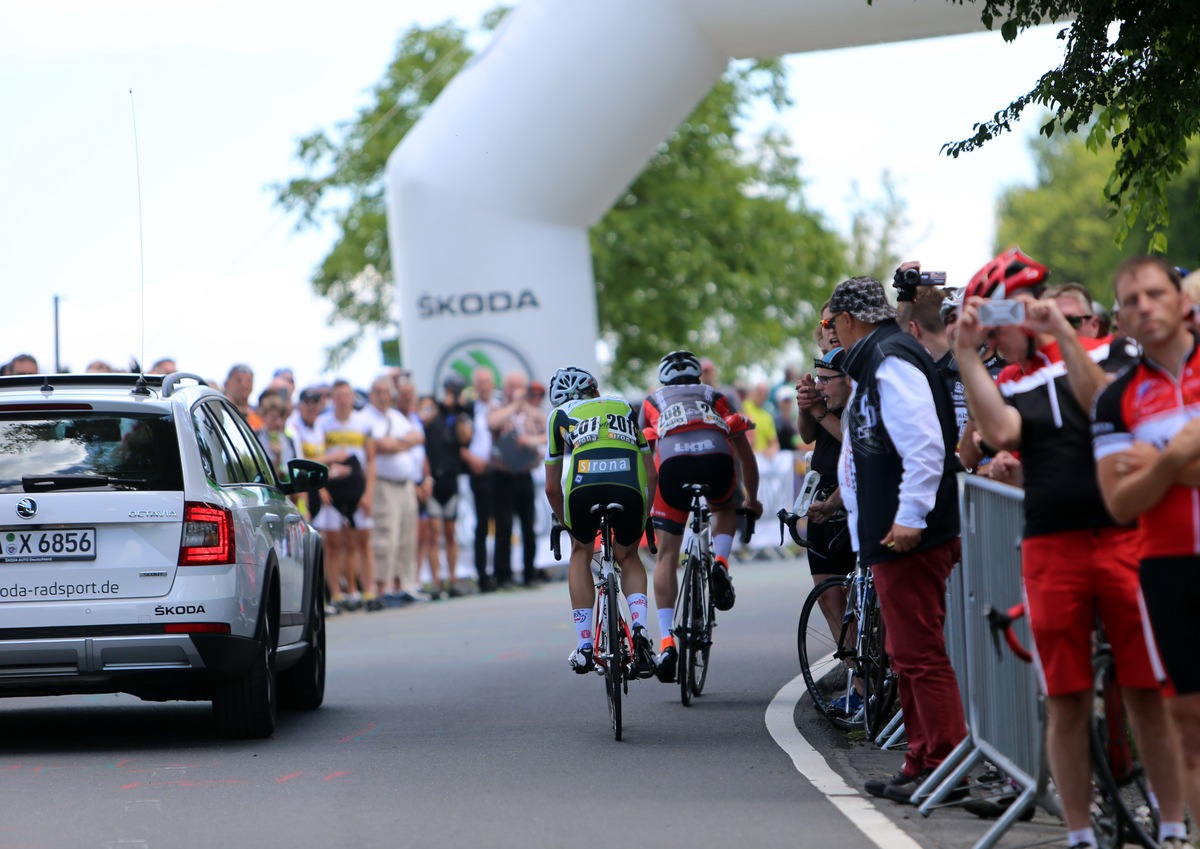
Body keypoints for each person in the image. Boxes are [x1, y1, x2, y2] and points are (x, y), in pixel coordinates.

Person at [957, 251, 1188, 849]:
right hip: (1051, 544)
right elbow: (1000, 432)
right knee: (1065, 697)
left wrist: (1060, 331)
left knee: (1147, 688)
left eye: (999, 317)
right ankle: (1080, 832)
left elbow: (1105, 403)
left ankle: (1170, 822)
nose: (996, 331)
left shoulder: (1113, 352)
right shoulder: (1009, 376)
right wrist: (963, 353)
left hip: (1122, 537)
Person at [826, 275, 966, 804]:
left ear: (846, 319)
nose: (831, 335)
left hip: (910, 537)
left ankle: (945, 767)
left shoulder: (888, 359)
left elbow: (927, 444)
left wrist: (909, 517)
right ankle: (923, 761)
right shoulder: (879, 359)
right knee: (905, 652)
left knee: (919, 653)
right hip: (890, 534)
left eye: (830, 324)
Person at [1093, 255, 1200, 839]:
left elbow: (1142, 484)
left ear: (1182, 300)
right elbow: (1120, 502)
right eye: (1131, 300)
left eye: (1156, 293)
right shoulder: (1115, 402)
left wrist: (1158, 466)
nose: (1145, 306)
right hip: (1166, 565)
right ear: (1122, 319)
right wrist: (1182, 455)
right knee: (1187, 718)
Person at [640, 350, 763, 682]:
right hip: (716, 459)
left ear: (664, 381)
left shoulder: (652, 401)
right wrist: (751, 498)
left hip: (673, 467)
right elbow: (746, 456)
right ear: (698, 378)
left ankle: (667, 642)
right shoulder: (715, 396)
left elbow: (648, 462)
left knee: (667, 555)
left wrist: (648, 508)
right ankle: (720, 563)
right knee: (723, 507)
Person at [543, 366, 658, 675]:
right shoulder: (622, 405)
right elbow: (651, 472)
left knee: (581, 552)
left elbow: (552, 487)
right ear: (594, 391)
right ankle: (640, 632)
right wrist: (644, 514)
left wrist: (566, 523)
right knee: (629, 555)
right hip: (628, 485)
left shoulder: (558, 417)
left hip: (583, 489)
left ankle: (584, 647)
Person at [796, 346, 857, 712]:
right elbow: (807, 435)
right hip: (822, 492)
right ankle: (855, 673)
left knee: (856, 595)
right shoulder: (825, 392)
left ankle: (867, 680)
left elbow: (855, 442)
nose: (820, 385)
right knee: (826, 593)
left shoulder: (853, 395)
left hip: (847, 492)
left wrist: (819, 409)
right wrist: (806, 405)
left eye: (825, 380)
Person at [318, 379, 381, 613]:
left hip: (357, 488)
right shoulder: (323, 423)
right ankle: (337, 594)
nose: (343, 400)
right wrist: (321, 487)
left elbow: (372, 460)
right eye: (339, 396)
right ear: (332, 399)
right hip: (333, 490)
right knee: (334, 543)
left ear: (353, 397)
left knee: (363, 540)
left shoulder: (363, 423)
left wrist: (369, 493)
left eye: (347, 396)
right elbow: (317, 454)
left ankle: (368, 590)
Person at [365, 376, 425, 606]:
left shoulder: (396, 416)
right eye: (378, 391)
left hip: (405, 484)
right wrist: (403, 443)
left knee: (407, 536)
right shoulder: (367, 418)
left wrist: (397, 443)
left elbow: (418, 436)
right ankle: (383, 588)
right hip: (384, 484)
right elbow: (380, 445)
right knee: (385, 536)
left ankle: (403, 585)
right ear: (371, 394)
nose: (383, 396)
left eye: (386, 391)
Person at [488, 371, 547, 588]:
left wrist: (530, 441)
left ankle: (530, 573)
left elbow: (548, 434)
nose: (515, 389)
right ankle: (503, 575)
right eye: (512, 385)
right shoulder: (498, 408)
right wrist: (514, 405)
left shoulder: (534, 413)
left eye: (519, 386)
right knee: (503, 526)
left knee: (528, 525)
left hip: (524, 474)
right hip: (502, 475)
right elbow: (492, 423)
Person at [461, 367, 500, 592]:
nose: (484, 386)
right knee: (482, 525)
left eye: (487, 382)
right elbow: (457, 441)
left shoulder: (500, 405)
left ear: (492, 384)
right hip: (479, 472)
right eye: (480, 382)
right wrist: (469, 458)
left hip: (500, 472)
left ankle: (502, 572)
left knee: (504, 524)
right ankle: (483, 575)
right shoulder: (467, 408)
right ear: (474, 386)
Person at [224, 363, 262, 430]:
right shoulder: (220, 410)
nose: (244, 385)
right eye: (238, 380)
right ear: (227, 383)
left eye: (248, 381)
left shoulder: (258, 415)